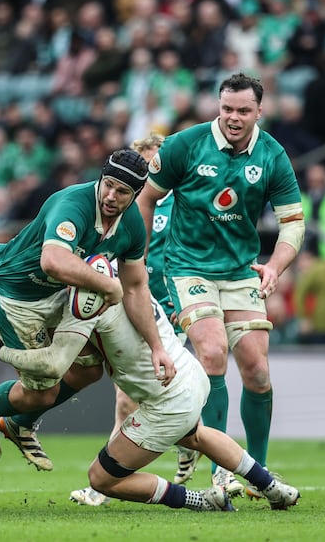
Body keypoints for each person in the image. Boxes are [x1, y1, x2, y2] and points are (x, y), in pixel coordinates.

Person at [0, 276, 301, 512]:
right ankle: (272, 486)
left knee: (101, 478)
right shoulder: (123, 274)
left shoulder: (86, 304)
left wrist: (6, 352)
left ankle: (201, 501)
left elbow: (55, 365)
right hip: (188, 373)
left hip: (167, 401)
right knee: (195, 435)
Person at [135, 73, 305, 498]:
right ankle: (221, 471)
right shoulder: (184, 145)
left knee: (258, 370)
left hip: (240, 271)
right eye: (227, 108)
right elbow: (145, 198)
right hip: (187, 267)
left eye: (243, 110)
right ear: (219, 106)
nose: (233, 117)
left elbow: (292, 223)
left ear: (259, 112)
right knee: (212, 354)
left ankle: (259, 472)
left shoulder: (272, 155)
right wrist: (134, 255)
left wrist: (275, 266)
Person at [0, 147, 174, 472]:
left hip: (58, 294)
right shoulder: (73, 203)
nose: (112, 195)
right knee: (44, 392)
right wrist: (107, 285)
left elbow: (135, 287)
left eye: (123, 191)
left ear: (137, 193)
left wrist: (158, 347)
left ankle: (17, 425)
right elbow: (53, 261)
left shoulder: (132, 226)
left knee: (88, 369)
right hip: (15, 293)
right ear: (100, 178)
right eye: (108, 184)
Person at [70, 133, 200, 507]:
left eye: (157, 163)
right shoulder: (125, 210)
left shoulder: (182, 204)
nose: (153, 171)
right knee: (132, 396)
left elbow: (188, 252)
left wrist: (183, 300)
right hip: (133, 305)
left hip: (165, 306)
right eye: (147, 163)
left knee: (139, 395)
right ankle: (190, 441)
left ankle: (106, 483)